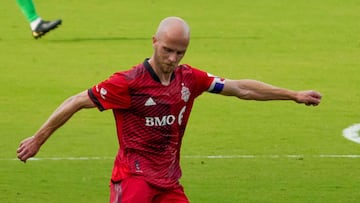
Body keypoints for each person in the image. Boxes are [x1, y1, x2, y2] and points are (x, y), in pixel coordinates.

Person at [17, 16, 322, 203]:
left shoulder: (190, 78)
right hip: (133, 179)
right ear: (154, 42)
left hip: (168, 184)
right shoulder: (128, 83)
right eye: (168, 50)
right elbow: (75, 101)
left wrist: (293, 94)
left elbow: (241, 88)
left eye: (180, 52)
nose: (173, 58)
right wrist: (38, 139)